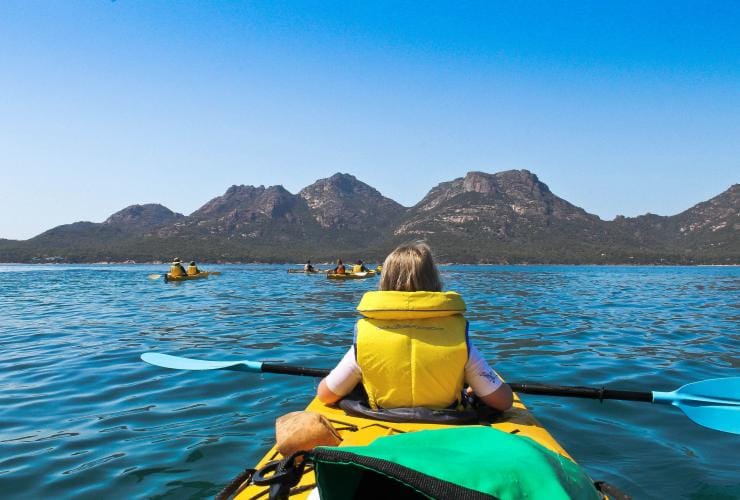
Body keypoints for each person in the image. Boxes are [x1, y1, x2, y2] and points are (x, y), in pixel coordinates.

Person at [317, 242, 513, 412]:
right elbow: (503, 402)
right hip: (445, 424)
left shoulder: (365, 335)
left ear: (384, 280)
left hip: (382, 422)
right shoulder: (457, 334)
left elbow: (325, 395)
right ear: (435, 280)